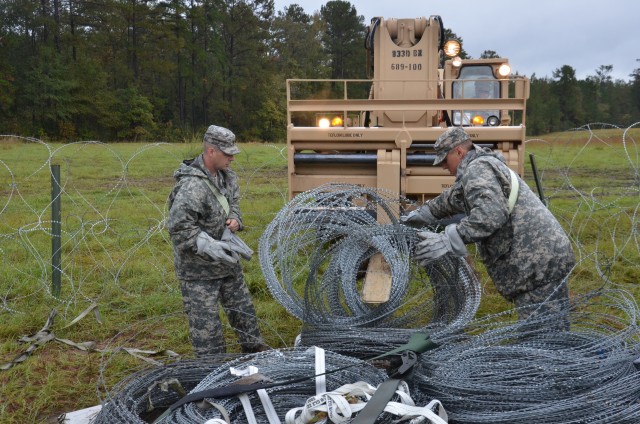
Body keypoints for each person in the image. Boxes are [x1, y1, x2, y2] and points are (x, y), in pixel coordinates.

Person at [402, 127, 575, 326]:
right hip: (541, 257)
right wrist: (421, 214)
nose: (442, 166)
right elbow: (453, 198)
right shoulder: (478, 167)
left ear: (459, 152)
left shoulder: (478, 170)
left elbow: (490, 215)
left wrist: (449, 238)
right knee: (550, 331)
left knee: (541, 336)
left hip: (536, 261)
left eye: (444, 160)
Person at [167, 125, 267, 356]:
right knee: (207, 331)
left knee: (244, 314)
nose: (232, 157)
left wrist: (235, 220)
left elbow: (235, 205)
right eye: (227, 153)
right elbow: (179, 228)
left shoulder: (228, 178)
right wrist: (210, 246)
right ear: (211, 151)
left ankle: (256, 354)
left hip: (227, 264)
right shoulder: (192, 186)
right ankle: (212, 371)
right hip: (198, 271)